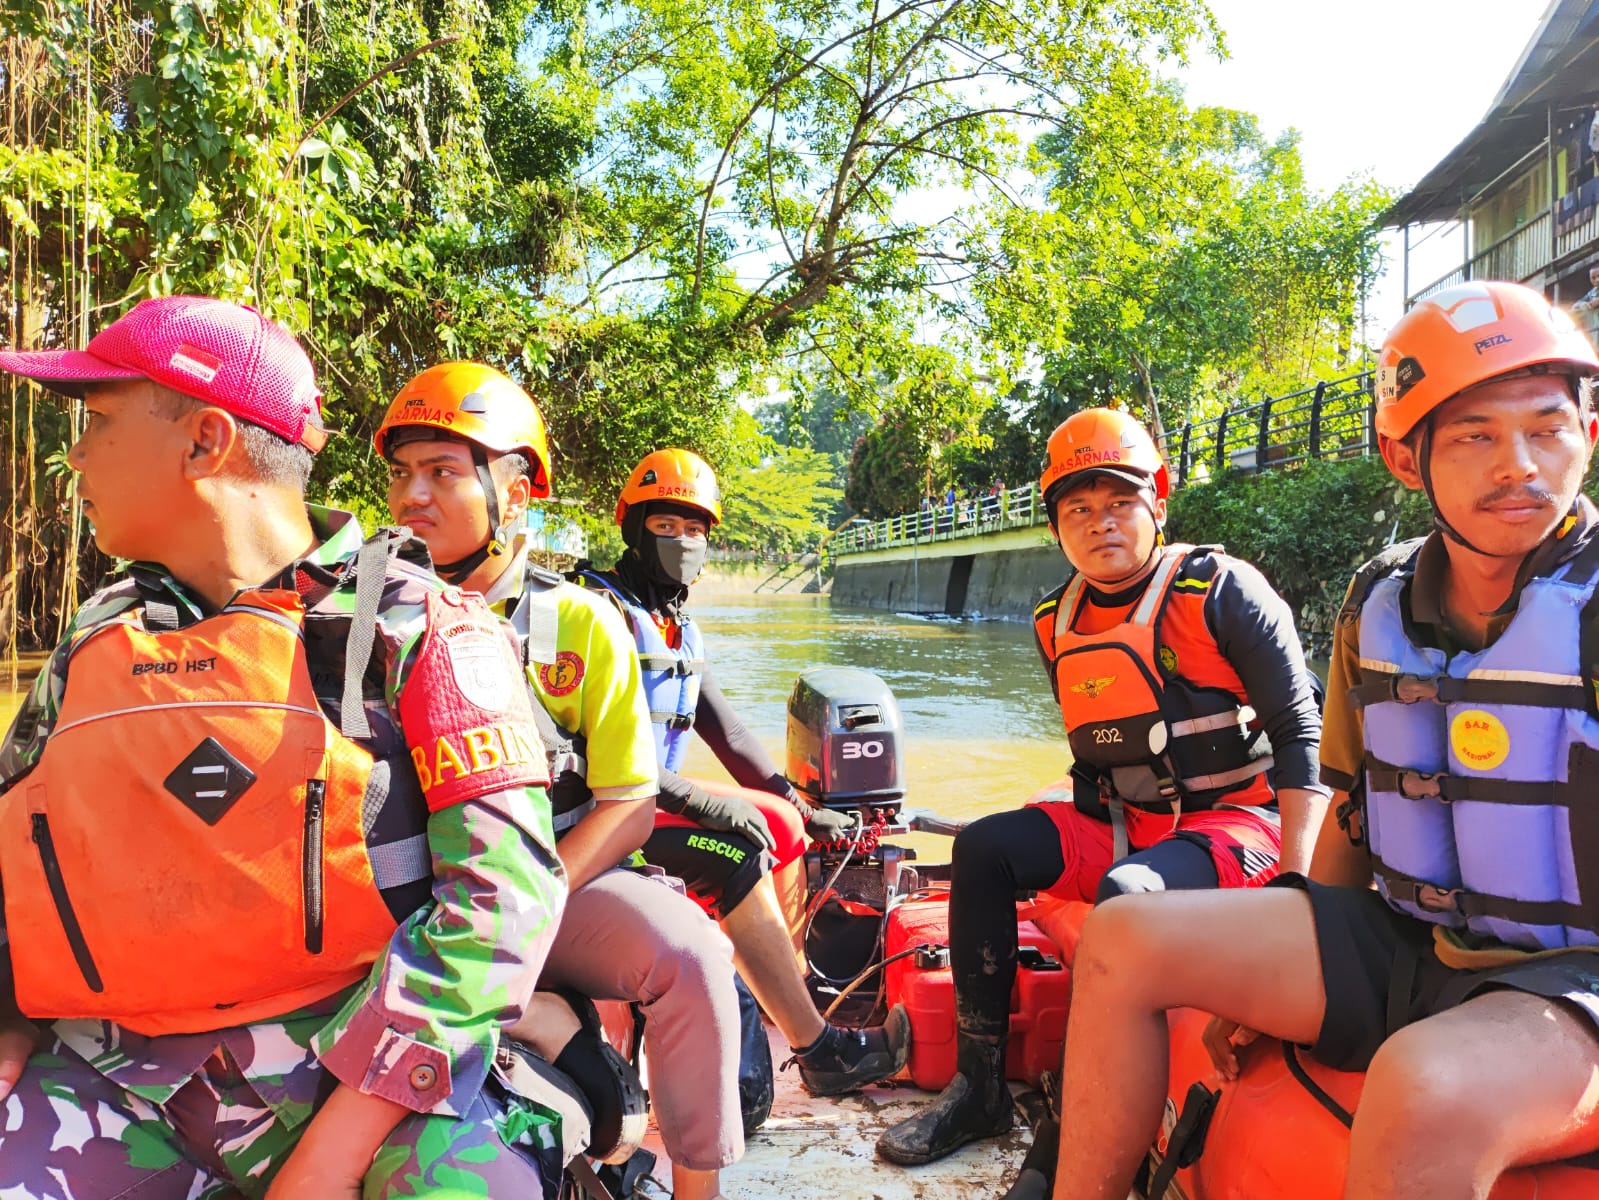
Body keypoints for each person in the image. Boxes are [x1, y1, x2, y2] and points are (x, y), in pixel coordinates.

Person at [0, 297, 566, 1197]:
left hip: (358, 1081)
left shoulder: (418, 630)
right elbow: (15, 846)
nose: (74, 454)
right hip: (113, 1078)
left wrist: (329, 1157)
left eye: (99, 421)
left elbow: (502, 903)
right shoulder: (96, 639)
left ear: (204, 442)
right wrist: (8, 1018)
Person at [1048, 281, 1599, 1200]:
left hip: (1575, 980)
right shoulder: (1377, 604)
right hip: (1409, 938)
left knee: (1423, 1085)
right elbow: (1356, 806)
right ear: (1403, 454)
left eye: (1548, 428)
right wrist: (1297, 957)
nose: (1520, 466)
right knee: (1122, 936)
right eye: (1474, 436)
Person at [876, 407, 1326, 1173]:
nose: (1100, 524)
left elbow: (1300, 735)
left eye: (1118, 503)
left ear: (1157, 498)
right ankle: (980, 1087)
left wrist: (1296, 890)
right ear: (1055, 527)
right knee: (985, 849)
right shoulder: (1056, 619)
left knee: (1126, 893)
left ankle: (1059, 1149)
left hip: (1233, 825)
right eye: (1077, 510)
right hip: (1125, 819)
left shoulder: (1220, 591)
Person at [375, 362, 746, 1200]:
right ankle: (543, 1029)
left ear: (516, 493)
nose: (412, 497)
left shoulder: (578, 622)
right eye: (401, 474)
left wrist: (525, 901)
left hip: (552, 879)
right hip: (409, 889)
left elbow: (628, 800)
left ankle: (697, 1185)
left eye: (443, 472)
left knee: (692, 953)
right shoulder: (363, 615)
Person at [573, 449, 911, 1096]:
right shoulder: (598, 611)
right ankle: (817, 1049)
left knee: (780, 822)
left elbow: (725, 732)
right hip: (605, 812)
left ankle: (775, 987)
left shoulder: (675, 625)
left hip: (652, 800)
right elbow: (596, 757)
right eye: (666, 526)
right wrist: (705, 805)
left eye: (696, 530)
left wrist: (799, 804)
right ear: (632, 528)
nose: (683, 542)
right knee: (738, 841)